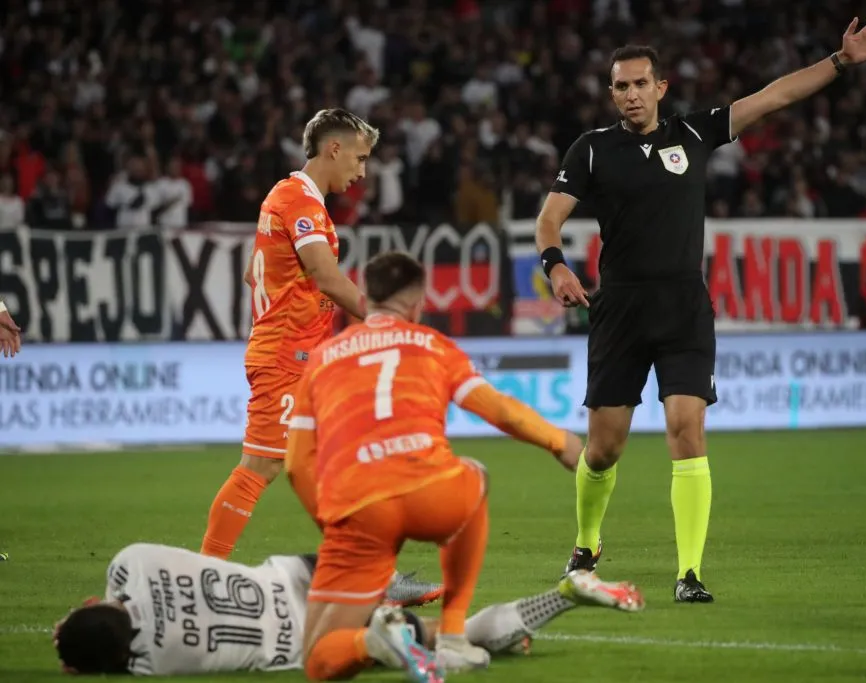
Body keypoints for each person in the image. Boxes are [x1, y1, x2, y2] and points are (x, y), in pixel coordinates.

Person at [535, 12, 866, 602]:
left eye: (639, 83)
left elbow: (774, 96)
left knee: (687, 428)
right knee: (604, 446)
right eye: (620, 86)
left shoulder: (694, 135)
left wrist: (838, 62)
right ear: (612, 93)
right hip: (619, 308)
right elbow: (550, 217)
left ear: (661, 87)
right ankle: (588, 541)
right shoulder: (593, 150)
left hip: (683, 307)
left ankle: (689, 573)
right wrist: (555, 264)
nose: (630, 94)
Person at [284, 251, 603, 682]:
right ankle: (452, 634)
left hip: (358, 507)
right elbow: (498, 410)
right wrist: (557, 440)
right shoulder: (434, 346)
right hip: (432, 491)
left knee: (319, 660)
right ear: (417, 305)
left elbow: (296, 464)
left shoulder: (323, 359)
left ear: (365, 298)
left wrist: (332, 521)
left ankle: (374, 641)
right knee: (475, 474)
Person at [200, 109, 374, 560]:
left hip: (302, 357)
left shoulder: (288, 195)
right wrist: (383, 317)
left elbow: (251, 275)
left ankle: (366, 566)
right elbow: (327, 276)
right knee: (259, 466)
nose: (362, 170)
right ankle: (199, 579)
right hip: (284, 358)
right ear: (333, 149)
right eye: (358, 158)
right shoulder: (301, 202)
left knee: (334, 458)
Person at [52, 543, 641, 676]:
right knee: (345, 566)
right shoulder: (131, 563)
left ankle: (559, 600)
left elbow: (109, 650)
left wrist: (80, 654)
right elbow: (112, 600)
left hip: (297, 639)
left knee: (444, 636)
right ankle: (386, 589)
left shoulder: (150, 664)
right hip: (298, 575)